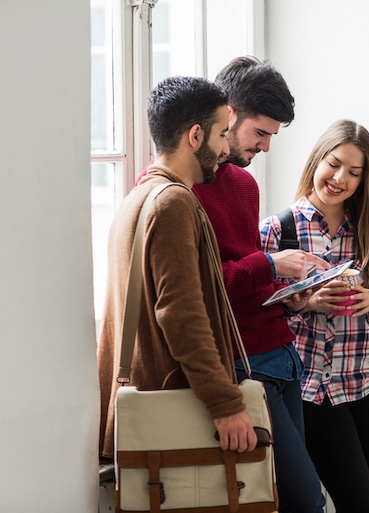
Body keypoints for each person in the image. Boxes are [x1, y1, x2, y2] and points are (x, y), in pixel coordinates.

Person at [193, 56, 328, 513]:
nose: (266, 147)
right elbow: (205, 291)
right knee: (305, 498)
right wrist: (272, 264)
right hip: (244, 364)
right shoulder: (180, 190)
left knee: (286, 499)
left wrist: (291, 296)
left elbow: (245, 278)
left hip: (285, 357)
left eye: (273, 135)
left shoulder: (244, 185)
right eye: (261, 133)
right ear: (228, 115)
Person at [98, 76, 257, 459]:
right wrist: (226, 404)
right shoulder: (173, 203)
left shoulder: (139, 196)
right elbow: (181, 313)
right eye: (222, 133)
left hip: (148, 399)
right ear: (196, 136)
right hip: (171, 405)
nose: (224, 147)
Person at [260, 119, 369, 513]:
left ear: (364, 180)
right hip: (314, 389)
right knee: (358, 502)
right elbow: (257, 316)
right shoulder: (277, 231)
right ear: (317, 160)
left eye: (354, 173)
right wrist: (307, 303)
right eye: (335, 163)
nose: (340, 178)